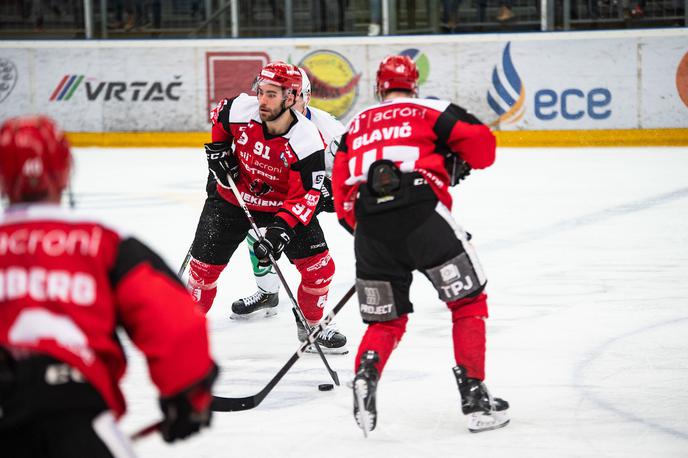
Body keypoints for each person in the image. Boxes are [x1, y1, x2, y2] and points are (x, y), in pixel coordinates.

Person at [0, 115, 218, 456]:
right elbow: (176, 323)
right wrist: (189, 395)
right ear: (64, 172)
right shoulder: (104, 243)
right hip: (76, 412)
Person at [332, 55, 510, 435]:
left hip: (369, 227)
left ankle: (367, 372)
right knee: (467, 301)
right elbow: (483, 146)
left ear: (380, 88)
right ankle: (475, 398)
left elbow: (339, 193)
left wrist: (365, 232)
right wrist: (452, 161)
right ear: (413, 85)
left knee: (387, 320)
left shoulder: (356, 124)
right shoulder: (431, 108)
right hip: (424, 215)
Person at [187, 61, 347, 353]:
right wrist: (219, 153)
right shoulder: (239, 109)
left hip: (283, 205)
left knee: (320, 270)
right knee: (202, 272)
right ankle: (181, 331)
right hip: (233, 199)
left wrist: (281, 230)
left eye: (272, 94)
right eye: (261, 91)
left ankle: (311, 327)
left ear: (292, 97)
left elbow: (305, 196)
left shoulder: (310, 138)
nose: (262, 99)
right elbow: (220, 120)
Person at [231, 67, 346, 321]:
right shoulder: (262, 118)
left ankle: (310, 314)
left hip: (310, 193)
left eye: (297, 97)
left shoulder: (329, 131)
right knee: (256, 230)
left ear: (305, 97)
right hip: (274, 188)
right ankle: (267, 292)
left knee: (313, 260)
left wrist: (329, 190)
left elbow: (351, 175)